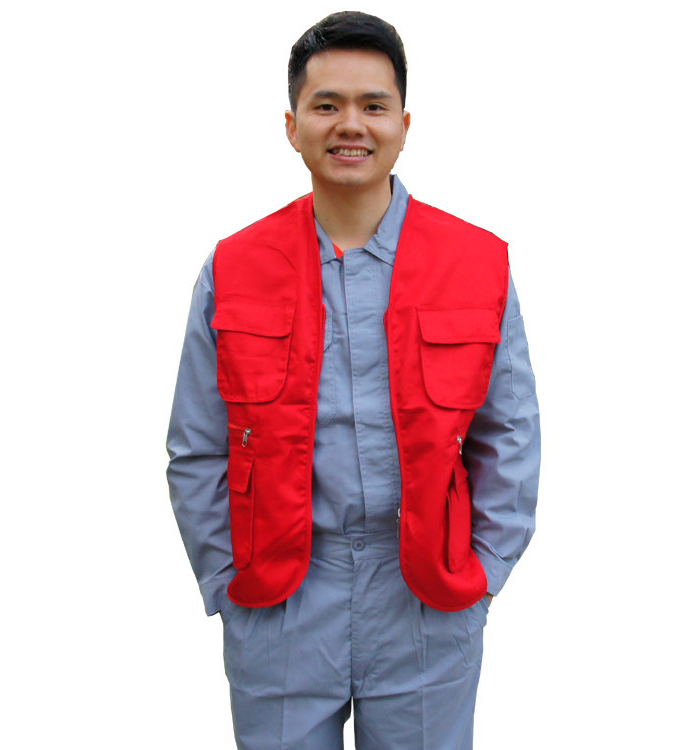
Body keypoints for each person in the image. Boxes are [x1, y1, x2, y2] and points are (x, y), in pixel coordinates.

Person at [166, 10, 540, 750]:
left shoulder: (476, 264)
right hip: (278, 602)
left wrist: (482, 577)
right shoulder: (234, 267)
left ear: (404, 124)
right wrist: (227, 583)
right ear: (291, 125)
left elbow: (510, 435)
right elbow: (196, 445)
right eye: (326, 105)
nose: (351, 125)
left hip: (426, 602)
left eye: (373, 105)